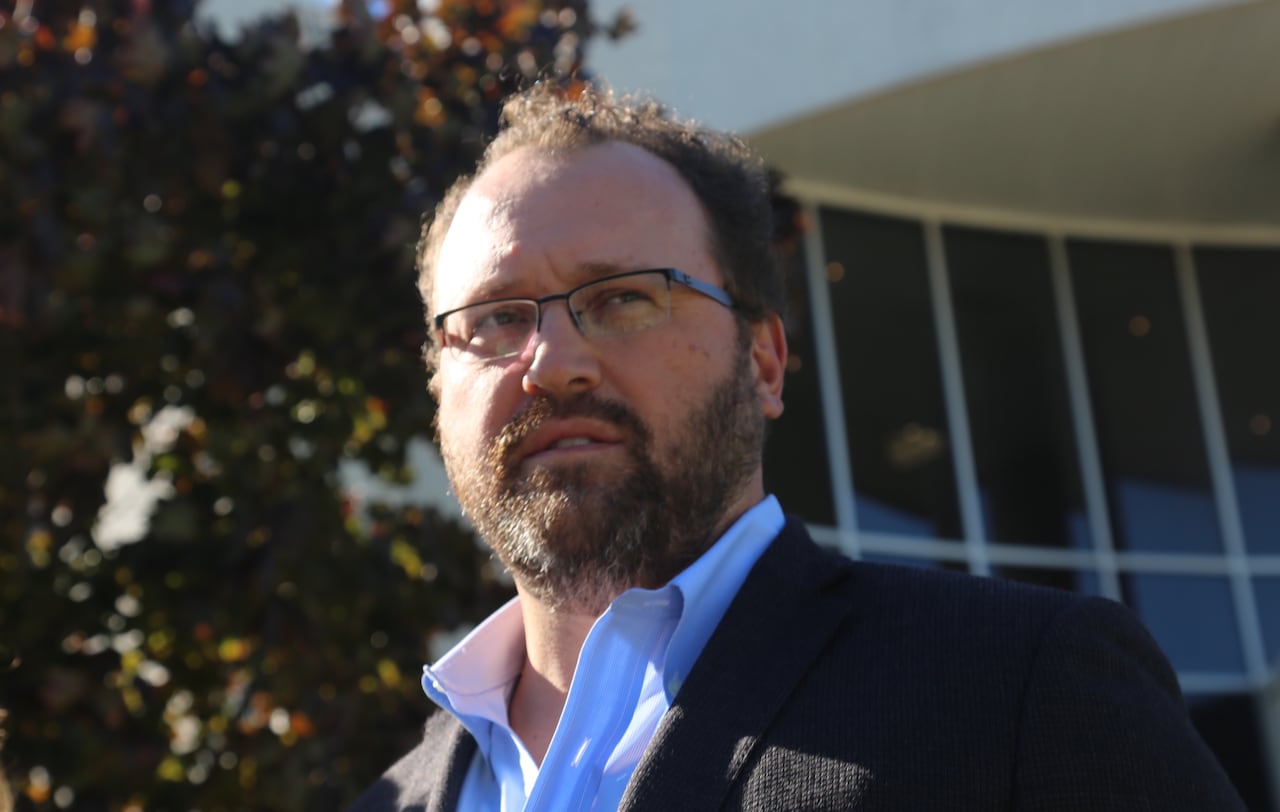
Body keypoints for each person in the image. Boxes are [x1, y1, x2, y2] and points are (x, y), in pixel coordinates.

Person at [351, 84, 1245, 811]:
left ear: (765, 361)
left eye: (624, 296)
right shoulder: (393, 798)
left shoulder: (1019, 693)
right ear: (438, 385)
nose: (552, 365)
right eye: (496, 319)